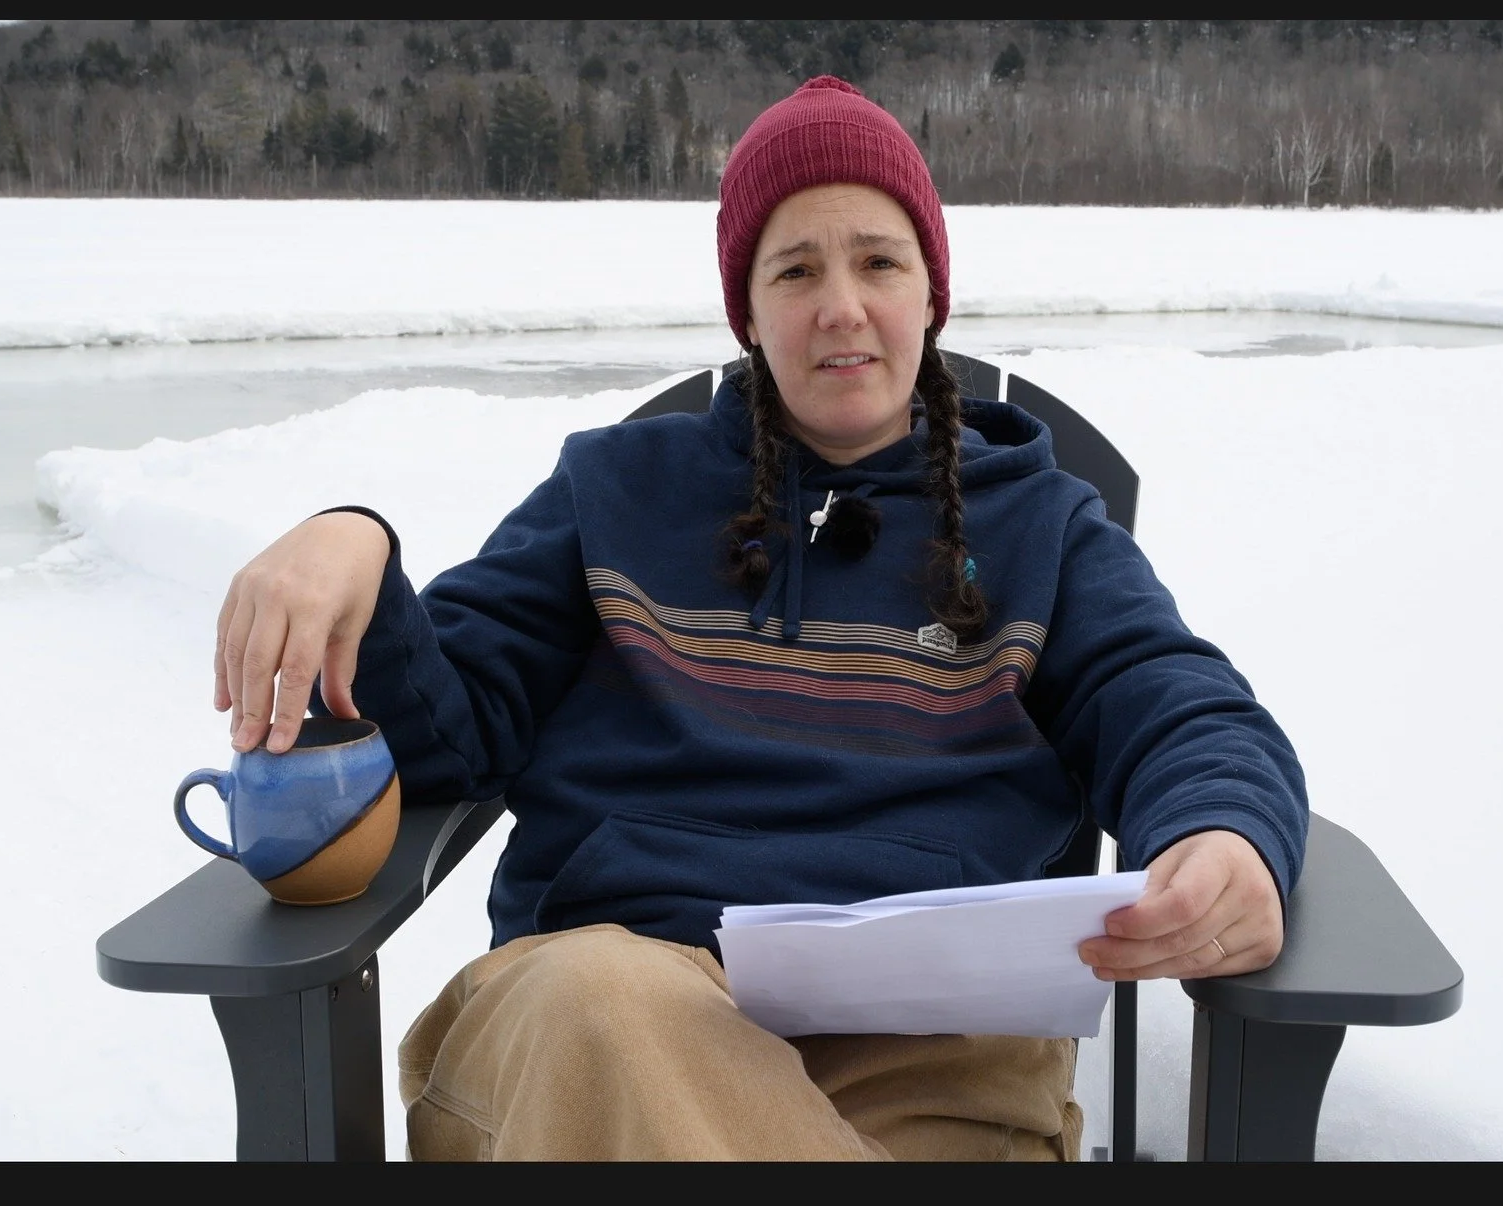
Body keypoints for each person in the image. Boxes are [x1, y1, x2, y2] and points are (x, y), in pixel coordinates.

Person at [211, 76, 1308, 1161]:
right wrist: (356, 544)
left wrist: (1224, 832)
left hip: (932, 1056)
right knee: (601, 1007)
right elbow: (457, 732)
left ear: (932, 294)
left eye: (878, 260)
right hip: (607, 1015)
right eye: (796, 269)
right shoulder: (614, 493)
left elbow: (1178, 709)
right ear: (747, 311)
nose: (842, 305)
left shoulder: (1043, 527)